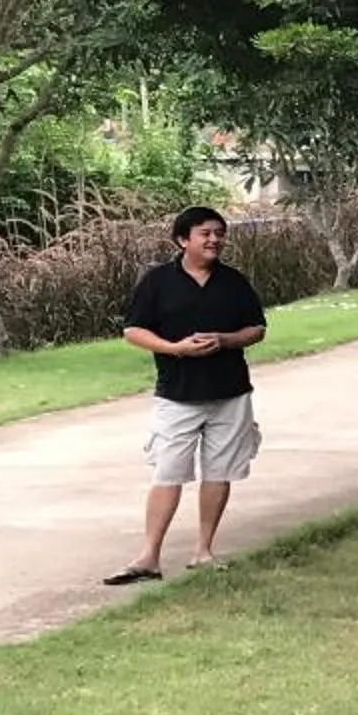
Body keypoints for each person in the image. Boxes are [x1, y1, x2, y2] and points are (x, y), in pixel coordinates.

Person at [104, 205, 267, 585]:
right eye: (205, 233)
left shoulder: (234, 282)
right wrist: (175, 348)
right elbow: (133, 330)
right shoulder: (158, 282)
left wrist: (226, 339)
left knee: (219, 471)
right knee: (168, 472)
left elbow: (257, 328)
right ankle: (148, 558)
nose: (214, 240)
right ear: (183, 240)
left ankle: (204, 551)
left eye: (219, 233)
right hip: (177, 395)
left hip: (229, 392)